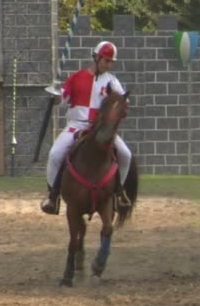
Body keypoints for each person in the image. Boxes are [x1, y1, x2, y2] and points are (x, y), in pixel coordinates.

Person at [40, 41, 132, 214]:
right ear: (96, 58)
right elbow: (63, 98)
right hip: (76, 126)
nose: (109, 64)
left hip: (101, 129)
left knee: (126, 154)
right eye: (106, 60)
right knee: (54, 154)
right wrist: (56, 97)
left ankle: (120, 192)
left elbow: (123, 102)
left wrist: (123, 106)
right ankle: (52, 196)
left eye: (111, 61)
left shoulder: (113, 82)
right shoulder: (77, 77)